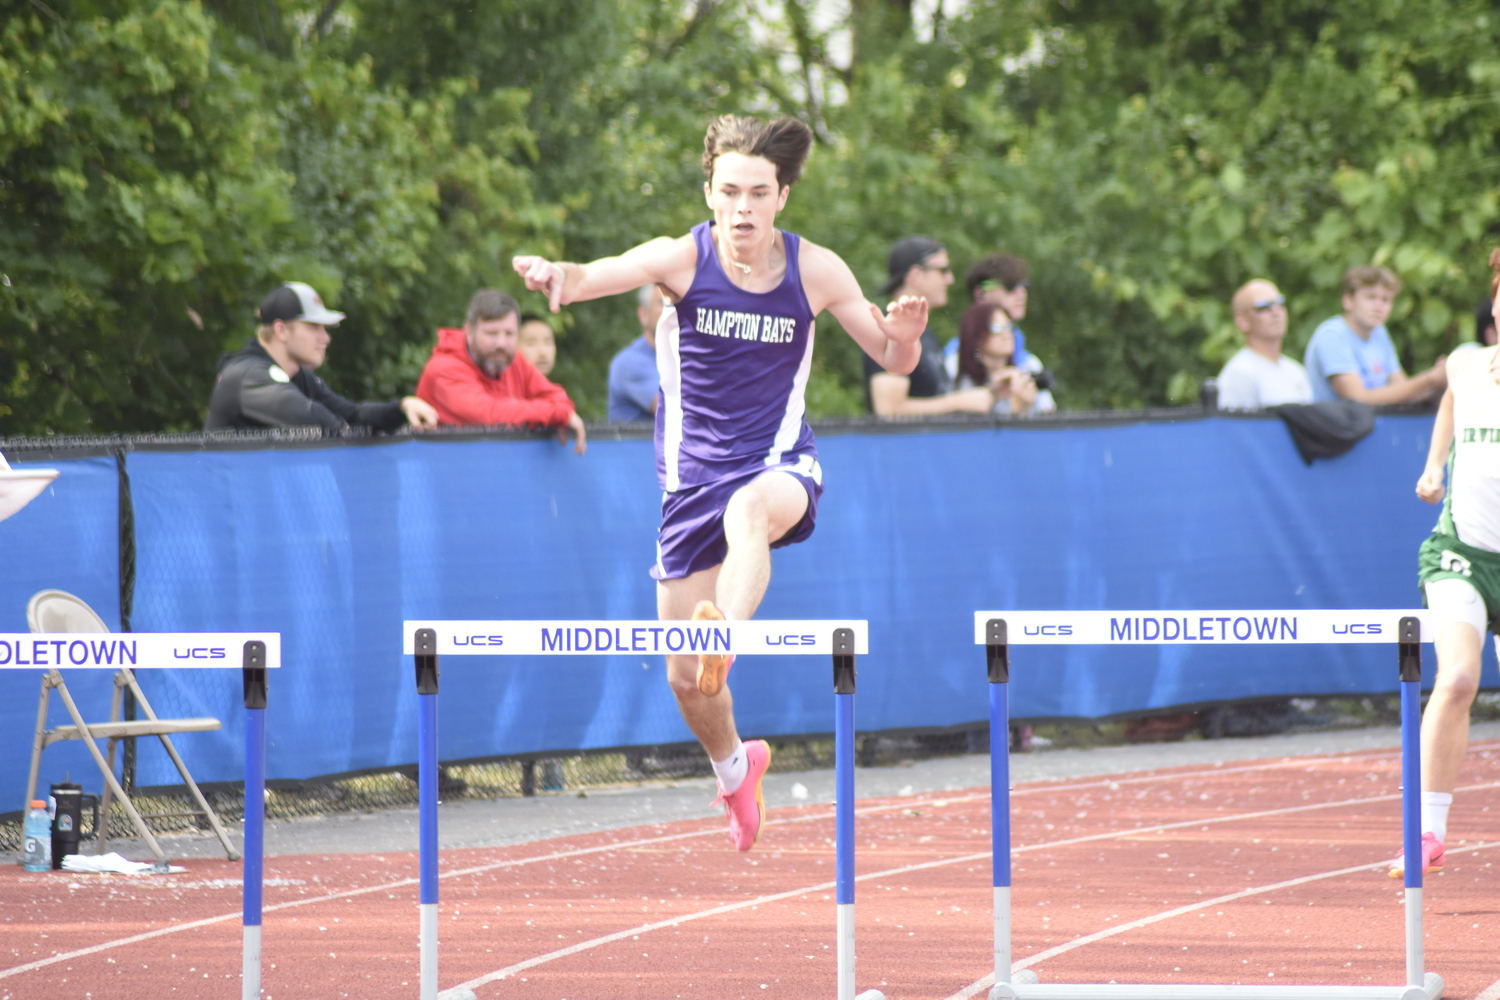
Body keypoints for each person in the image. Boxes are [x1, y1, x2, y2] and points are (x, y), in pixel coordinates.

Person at [513, 114, 928, 851]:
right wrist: (556, 276)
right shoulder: (682, 259)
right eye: (730, 191)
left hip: (779, 467)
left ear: (782, 199)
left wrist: (905, 333)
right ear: (709, 192)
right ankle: (738, 770)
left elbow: (893, 361)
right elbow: (590, 277)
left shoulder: (815, 270)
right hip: (688, 485)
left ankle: (726, 637)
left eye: (758, 193)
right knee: (683, 680)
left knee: (748, 512)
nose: (743, 208)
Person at [1400, 248, 1500, 878]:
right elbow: (1450, 402)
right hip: (1460, 553)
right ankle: (1427, 832)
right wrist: (1434, 464)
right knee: (1458, 679)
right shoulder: (1467, 364)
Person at [206, 282, 439, 432]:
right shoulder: (248, 374)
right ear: (281, 330)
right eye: (313, 326)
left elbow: (352, 415)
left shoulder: (299, 376)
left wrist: (401, 407)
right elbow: (311, 416)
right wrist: (345, 431)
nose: (325, 338)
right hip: (226, 506)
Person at [415, 290, 586, 454]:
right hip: (447, 474)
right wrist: (556, 414)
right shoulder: (444, 369)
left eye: (509, 334)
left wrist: (560, 414)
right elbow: (490, 417)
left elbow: (557, 397)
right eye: (492, 333)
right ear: (469, 332)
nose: (501, 343)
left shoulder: (512, 360)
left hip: (497, 468)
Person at [864, 237, 995, 417]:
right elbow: (889, 410)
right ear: (916, 275)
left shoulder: (925, 334)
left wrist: (992, 393)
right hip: (904, 445)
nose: (950, 279)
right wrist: (959, 402)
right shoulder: (889, 331)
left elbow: (933, 397)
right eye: (943, 270)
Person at [1304, 265, 1446, 404]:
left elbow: (1402, 390)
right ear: (1348, 301)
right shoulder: (1332, 336)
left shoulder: (1379, 333)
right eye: (1370, 297)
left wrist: (1440, 382)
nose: (1378, 306)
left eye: (1386, 300)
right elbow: (1358, 399)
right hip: (1333, 426)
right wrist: (1431, 378)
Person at [1215, 279, 1314, 409]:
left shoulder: (1297, 370)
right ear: (1242, 321)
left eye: (1280, 303)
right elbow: (1235, 428)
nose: (1276, 312)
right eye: (1263, 306)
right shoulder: (1240, 374)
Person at [947, 252, 1036, 381]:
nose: (1021, 293)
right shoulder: (955, 359)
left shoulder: (1029, 361)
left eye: (1025, 286)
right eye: (1010, 286)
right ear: (981, 294)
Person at [953, 302, 1054, 415]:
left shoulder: (1022, 373)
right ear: (976, 336)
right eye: (997, 328)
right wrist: (1017, 409)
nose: (1007, 334)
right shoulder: (967, 386)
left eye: (1009, 327)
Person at [607, 285, 664, 421]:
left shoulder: (685, 357)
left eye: (677, 304)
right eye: (663, 303)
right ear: (643, 314)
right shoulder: (630, 362)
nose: (673, 310)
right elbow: (675, 410)